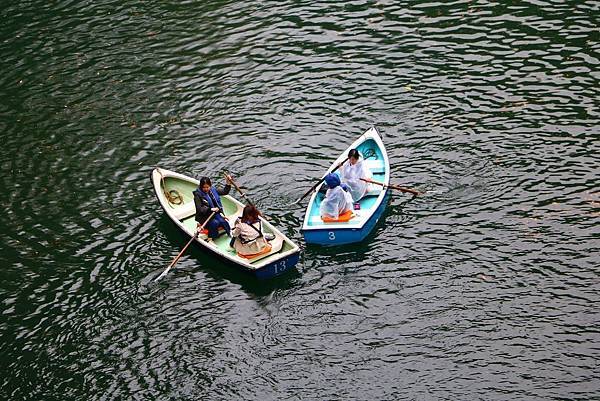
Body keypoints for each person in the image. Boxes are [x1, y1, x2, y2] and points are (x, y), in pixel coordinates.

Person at [193, 175, 232, 240]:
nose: (206, 189)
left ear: (210, 186)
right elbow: (199, 209)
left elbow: (225, 191)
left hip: (214, 213)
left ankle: (229, 233)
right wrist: (211, 209)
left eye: (207, 187)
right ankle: (211, 237)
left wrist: (228, 183)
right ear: (201, 187)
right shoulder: (197, 196)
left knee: (223, 222)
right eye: (204, 187)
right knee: (215, 223)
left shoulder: (213, 190)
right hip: (204, 216)